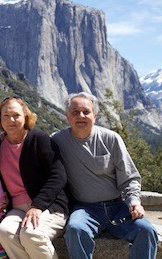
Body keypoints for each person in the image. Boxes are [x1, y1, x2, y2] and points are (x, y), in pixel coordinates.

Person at [51, 92, 158, 259]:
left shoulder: (111, 138)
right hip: (85, 209)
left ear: (95, 116)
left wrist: (135, 202)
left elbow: (129, 177)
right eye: (75, 112)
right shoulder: (57, 140)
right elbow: (34, 153)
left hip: (119, 207)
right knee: (75, 230)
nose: (80, 116)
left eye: (86, 112)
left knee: (147, 231)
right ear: (67, 116)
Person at [0, 96, 69, 259]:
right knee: (5, 233)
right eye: (5, 116)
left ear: (25, 117)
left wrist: (38, 205)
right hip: (17, 209)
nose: (10, 120)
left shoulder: (38, 139)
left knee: (31, 234)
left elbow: (58, 175)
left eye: (16, 115)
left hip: (49, 206)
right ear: (0, 119)